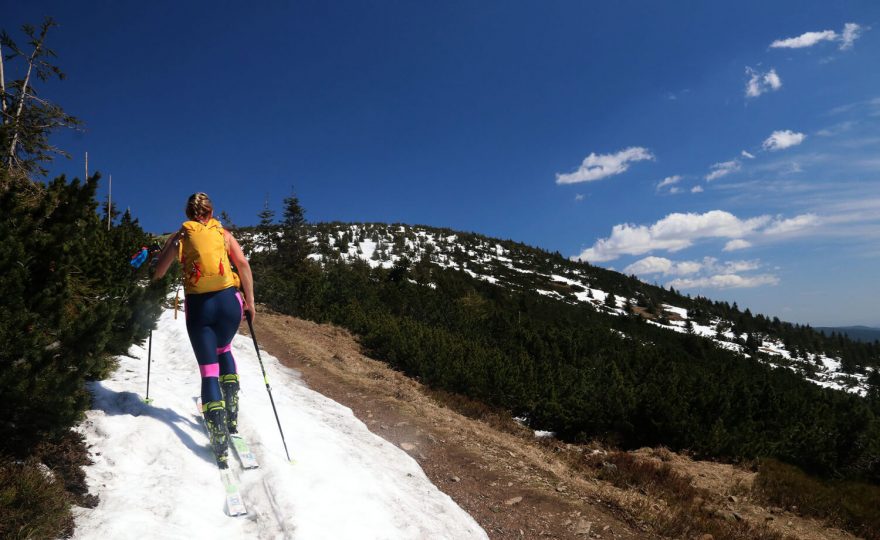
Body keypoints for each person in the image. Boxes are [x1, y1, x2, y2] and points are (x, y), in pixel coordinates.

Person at [153, 192, 255, 469]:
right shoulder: (222, 233)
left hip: (200, 307)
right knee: (225, 349)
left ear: (189, 212)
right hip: (229, 302)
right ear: (210, 211)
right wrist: (250, 303)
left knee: (208, 370)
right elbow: (243, 265)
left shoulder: (181, 236)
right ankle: (232, 412)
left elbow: (158, 273)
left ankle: (219, 436)